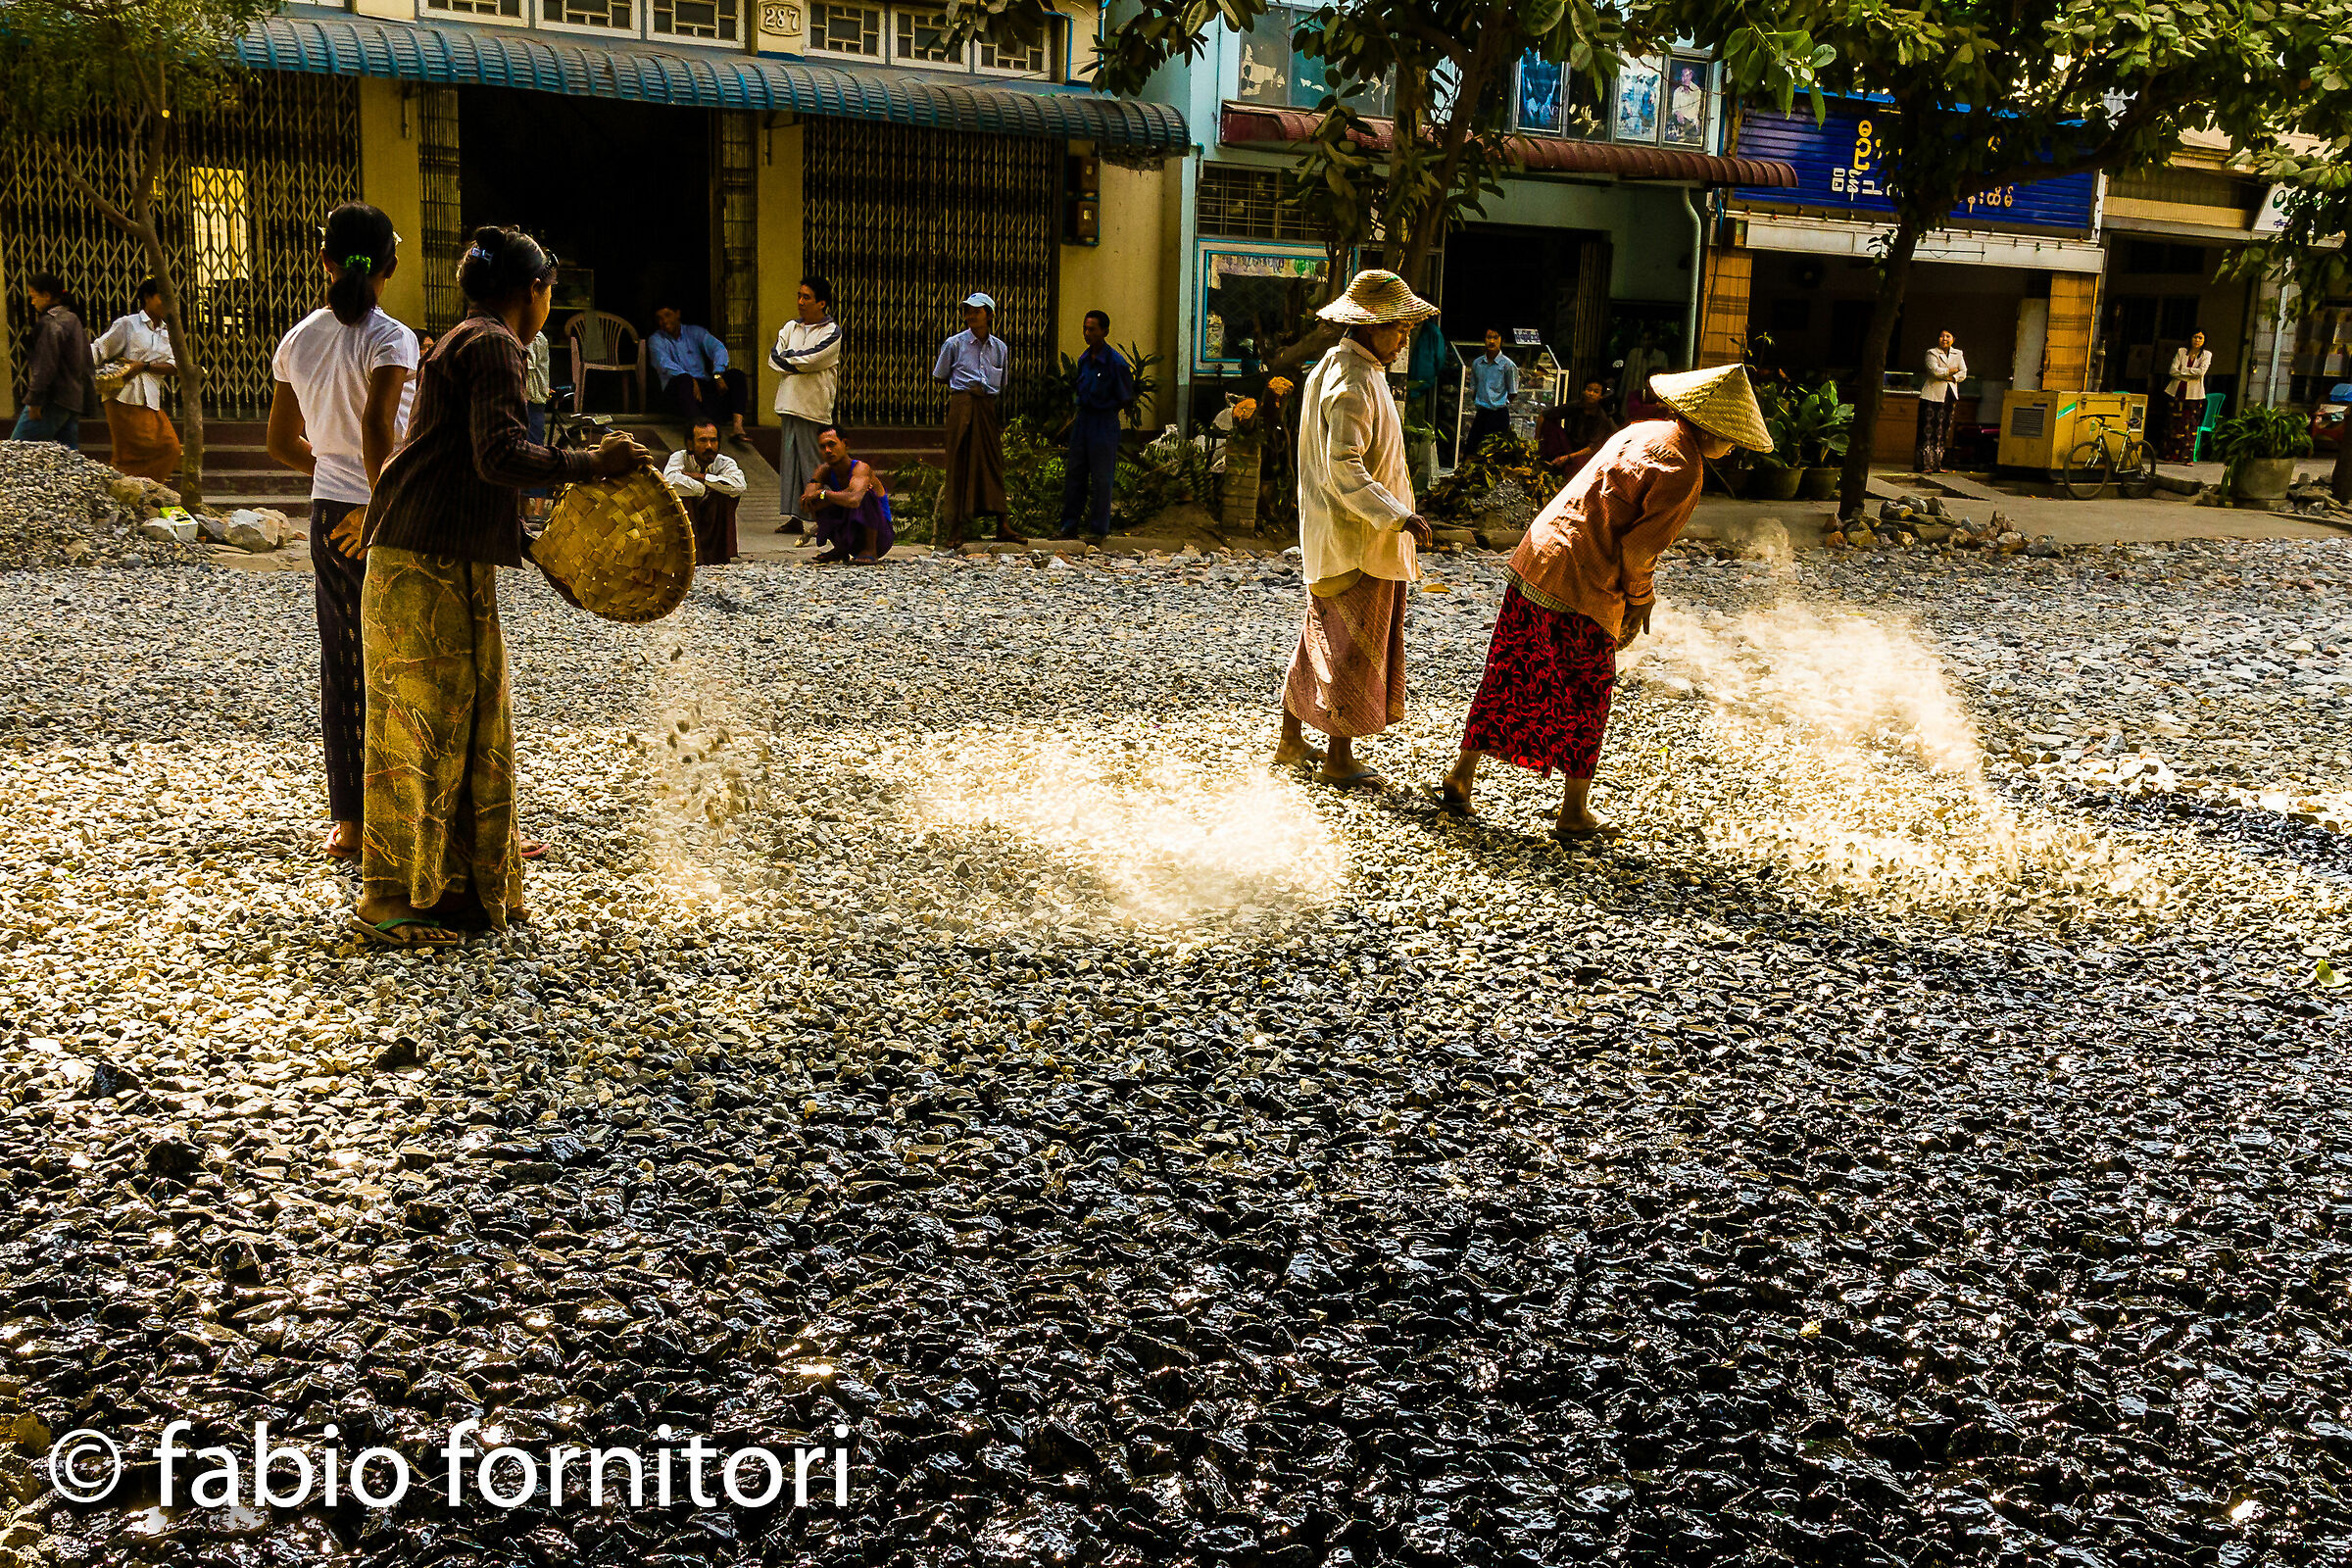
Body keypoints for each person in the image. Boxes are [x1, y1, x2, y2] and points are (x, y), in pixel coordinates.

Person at [354, 224, 646, 947]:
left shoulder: (462, 338)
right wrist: (591, 463)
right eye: (550, 289)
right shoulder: (494, 345)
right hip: (421, 559)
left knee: (470, 717)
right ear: (532, 292)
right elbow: (498, 455)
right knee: (416, 724)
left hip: (438, 549)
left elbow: (460, 464)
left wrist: (529, 546)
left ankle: (456, 884)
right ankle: (388, 896)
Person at [1437, 363, 1770, 840]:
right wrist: (1641, 600)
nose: (1734, 446)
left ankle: (1462, 775)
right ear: (1712, 428)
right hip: (1582, 580)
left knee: (1509, 671)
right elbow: (1637, 549)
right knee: (1586, 694)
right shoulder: (1686, 468)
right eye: (1732, 436)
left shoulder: (1643, 430)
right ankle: (1573, 813)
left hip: (1538, 555)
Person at [265, 203, 419, 867]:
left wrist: (332, 469)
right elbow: (380, 428)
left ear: (324, 260)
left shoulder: (298, 340)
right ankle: (411, 805)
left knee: (345, 661)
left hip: (330, 513)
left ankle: (349, 820)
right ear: (390, 265)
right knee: (410, 659)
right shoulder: (391, 338)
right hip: (390, 510)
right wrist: (378, 499)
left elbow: (278, 442)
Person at [1274, 269, 1439, 790]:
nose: (1404, 336)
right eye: (1397, 327)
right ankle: (1337, 756)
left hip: (1343, 537)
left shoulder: (1345, 367)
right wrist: (1397, 516)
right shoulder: (1353, 378)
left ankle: (1291, 738)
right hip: (1358, 541)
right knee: (1350, 647)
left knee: (1319, 636)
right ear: (1369, 327)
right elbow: (1345, 465)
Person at [932, 290, 1022, 550]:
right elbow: (940, 374)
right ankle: (956, 528)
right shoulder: (954, 344)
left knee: (992, 464)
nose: (971, 315)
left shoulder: (1000, 348)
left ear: (990, 315)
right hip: (962, 405)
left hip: (987, 407)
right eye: (968, 310)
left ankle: (1002, 524)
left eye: (977, 310)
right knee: (959, 463)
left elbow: (1001, 382)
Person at [769, 275, 842, 535]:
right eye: (799, 296)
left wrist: (791, 363)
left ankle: (819, 516)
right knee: (790, 464)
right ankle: (794, 516)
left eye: (806, 297)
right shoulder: (790, 327)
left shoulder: (831, 331)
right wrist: (796, 364)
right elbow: (774, 357)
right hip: (788, 402)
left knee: (813, 463)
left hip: (813, 406)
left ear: (821, 303)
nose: (800, 302)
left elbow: (814, 359)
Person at [90, 279, 181, 482]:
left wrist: (144, 366)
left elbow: (176, 366)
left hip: (150, 399)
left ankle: (147, 488)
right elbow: (99, 349)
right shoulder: (128, 324)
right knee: (129, 456)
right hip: (123, 397)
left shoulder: (169, 331)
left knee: (170, 447)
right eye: (162, 297)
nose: (168, 303)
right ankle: (124, 491)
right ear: (147, 298)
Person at [1056, 309, 1133, 541]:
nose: (1087, 334)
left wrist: (1106, 410)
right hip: (1083, 421)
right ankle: (1069, 527)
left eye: (1092, 329)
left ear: (1105, 331)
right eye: (1085, 328)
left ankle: (1099, 530)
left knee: (1101, 478)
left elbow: (1126, 396)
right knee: (1075, 474)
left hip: (1104, 421)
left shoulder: (1115, 363)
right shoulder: (1083, 360)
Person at [12, 274, 93, 449]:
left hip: (52, 400)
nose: (32, 303)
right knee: (68, 460)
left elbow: (44, 367)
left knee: (16, 452)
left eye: (34, 296)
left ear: (47, 296)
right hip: (72, 400)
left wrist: (34, 401)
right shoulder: (73, 319)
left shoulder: (51, 324)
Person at [648, 306, 748, 446]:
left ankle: (737, 427)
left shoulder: (694, 332)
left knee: (736, 375)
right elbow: (663, 363)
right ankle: (699, 433)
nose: (664, 321)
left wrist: (717, 374)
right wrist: (690, 379)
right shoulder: (656, 339)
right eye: (659, 318)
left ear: (677, 313)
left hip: (702, 390)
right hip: (678, 394)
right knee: (684, 380)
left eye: (667, 315)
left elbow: (718, 348)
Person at [804, 425, 894, 564]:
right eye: (823, 447)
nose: (827, 450)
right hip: (851, 535)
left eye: (831, 444)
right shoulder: (823, 471)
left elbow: (855, 500)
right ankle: (841, 549)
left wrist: (824, 494)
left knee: (866, 493)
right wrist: (824, 496)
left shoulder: (861, 468)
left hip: (880, 537)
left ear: (845, 444)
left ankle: (870, 551)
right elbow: (807, 501)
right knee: (819, 501)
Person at [662, 418, 748, 564]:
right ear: (690, 444)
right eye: (702, 441)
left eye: (713, 441)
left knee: (725, 495)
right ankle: (689, 555)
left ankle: (718, 555)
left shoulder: (725, 462)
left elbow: (739, 485)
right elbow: (670, 481)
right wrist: (703, 489)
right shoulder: (679, 458)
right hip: (689, 519)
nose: (709, 446)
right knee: (684, 498)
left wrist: (702, 478)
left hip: (712, 517)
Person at [1539, 378, 1619, 479]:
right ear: (1584, 391)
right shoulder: (1576, 405)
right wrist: (1536, 442)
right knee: (1549, 422)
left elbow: (1591, 449)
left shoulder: (1601, 418)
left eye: (1596, 392)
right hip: (1570, 446)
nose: (1591, 394)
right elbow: (1543, 415)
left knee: (1577, 468)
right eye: (1589, 390)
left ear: (1600, 396)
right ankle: (1549, 459)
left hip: (1584, 454)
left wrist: (1567, 458)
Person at [1916, 330, 1967, 473]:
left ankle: (1937, 464)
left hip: (1949, 395)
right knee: (1927, 429)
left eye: (1948, 336)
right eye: (1942, 336)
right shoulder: (1931, 353)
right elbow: (1934, 371)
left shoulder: (1958, 353)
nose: (1944, 339)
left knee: (1942, 429)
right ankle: (1925, 464)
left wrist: (1952, 377)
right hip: (1931, 395)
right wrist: (1951, 371)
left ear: (1953, 339)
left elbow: (1963, 372)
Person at [2161, 330, 2212, 464]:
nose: (2197, 340)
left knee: (2190, 424)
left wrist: (2182, 371)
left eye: (2200, 338)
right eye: (2195, 337)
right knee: (2173, 424)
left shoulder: (2206, 354)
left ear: (2204, 340)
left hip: (2194, 395)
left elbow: (2201, 372)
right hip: (2176, 392)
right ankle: (2170, 456)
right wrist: (2190, 373)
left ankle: (2186, 458)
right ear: (2190, 338)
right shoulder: (2182, 351)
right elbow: (2172, 371)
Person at [1467, 328, 1519, 454]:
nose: (1491, 341)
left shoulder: (1508, 365)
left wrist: (1500, 402)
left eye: (1495, 337)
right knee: (1472, 450)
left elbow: (1513, 392)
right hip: (1481, 413)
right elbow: (1474, 387)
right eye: (1489, 337)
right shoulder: (1477, 363)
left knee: (1494, 454)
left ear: (1502, 340)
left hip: (1498, 415)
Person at [522, 327, 554, 519]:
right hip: (527, 399)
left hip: (532, 400)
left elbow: (527, 366)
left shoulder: (533, 337)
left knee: (535, 451)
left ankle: (538, 509)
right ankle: (525, 506)